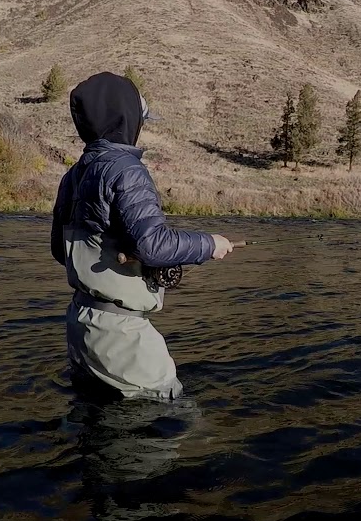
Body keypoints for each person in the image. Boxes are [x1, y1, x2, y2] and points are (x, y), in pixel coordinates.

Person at [51, 71, 233, 402]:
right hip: (122, 337)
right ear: (126, 118)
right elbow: (153, 244)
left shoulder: (72, 176)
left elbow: (58, 251)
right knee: (173, 422)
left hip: (80, 326)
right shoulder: (126, 169)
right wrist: (211, 244)